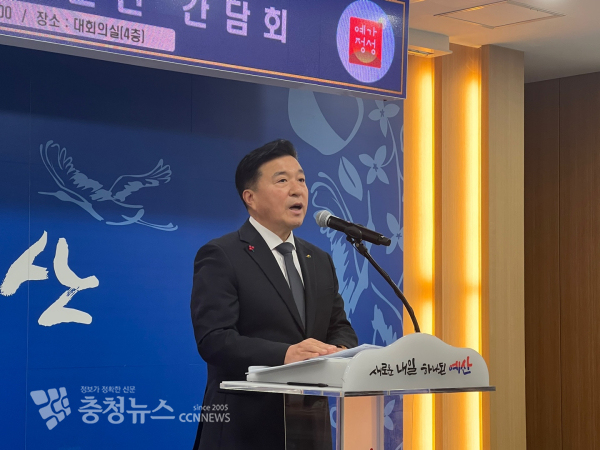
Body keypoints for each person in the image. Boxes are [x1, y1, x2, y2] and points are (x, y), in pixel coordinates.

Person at [190, 139, 358, 450]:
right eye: (282, 181)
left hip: (309, 429)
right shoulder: (222, 255)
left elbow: (340, 327)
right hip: (244, 429)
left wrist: (338, 351)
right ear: (250, 197)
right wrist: (285, 355)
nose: (298, 190)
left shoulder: (319, 259)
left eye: (301, 180)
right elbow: (214, 339)